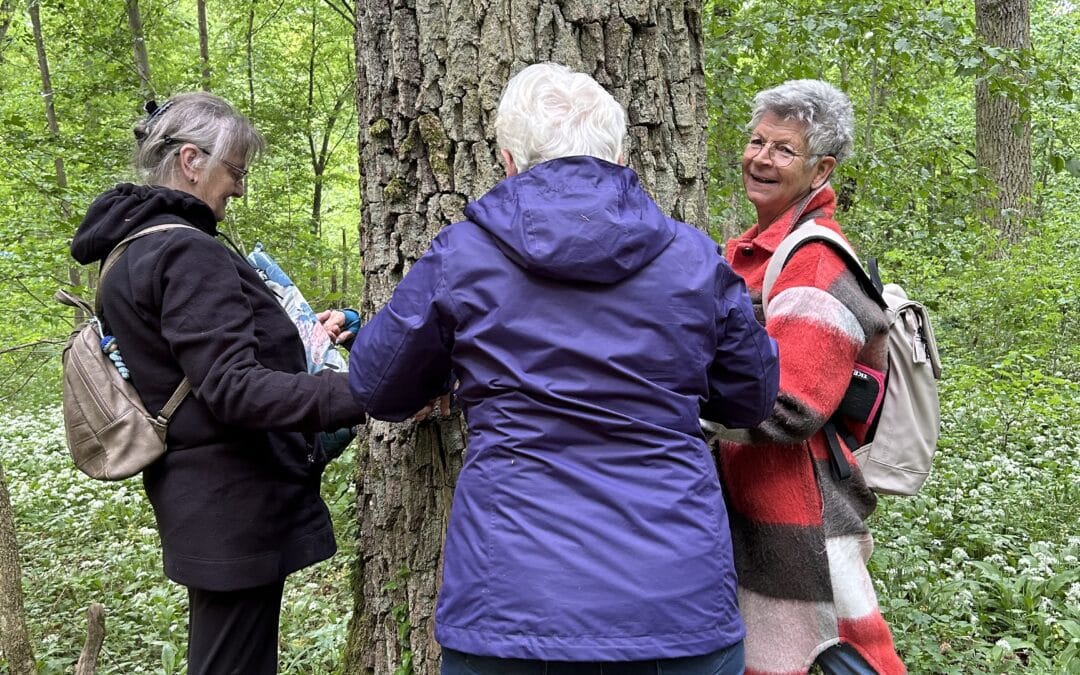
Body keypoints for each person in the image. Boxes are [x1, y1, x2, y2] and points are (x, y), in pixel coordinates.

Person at [345, 62, 779, 674]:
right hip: (673, 603)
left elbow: (377, 385)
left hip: (512, 605)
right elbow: (750, 398)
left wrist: (458, 372)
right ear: (622, 153)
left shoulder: (464, 256)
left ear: (508, 160)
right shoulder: (692, 260)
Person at [69, 92, 367, 674]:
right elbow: (234, 387)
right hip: (236, 509)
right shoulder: (185, 250)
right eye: (235, 171)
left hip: (200, 503)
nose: (238, 187)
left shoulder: (128, 251)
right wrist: (368, 392)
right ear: (191, 160)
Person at [709, 80, 906, 674]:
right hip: (753, 507)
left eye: (783, 149)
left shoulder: (814, 261)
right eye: (756, 141)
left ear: (822, 168)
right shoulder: (752, 253)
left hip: (800, 515)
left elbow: (791, 404)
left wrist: (672, 411)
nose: (760, 158)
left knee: (845, 655)